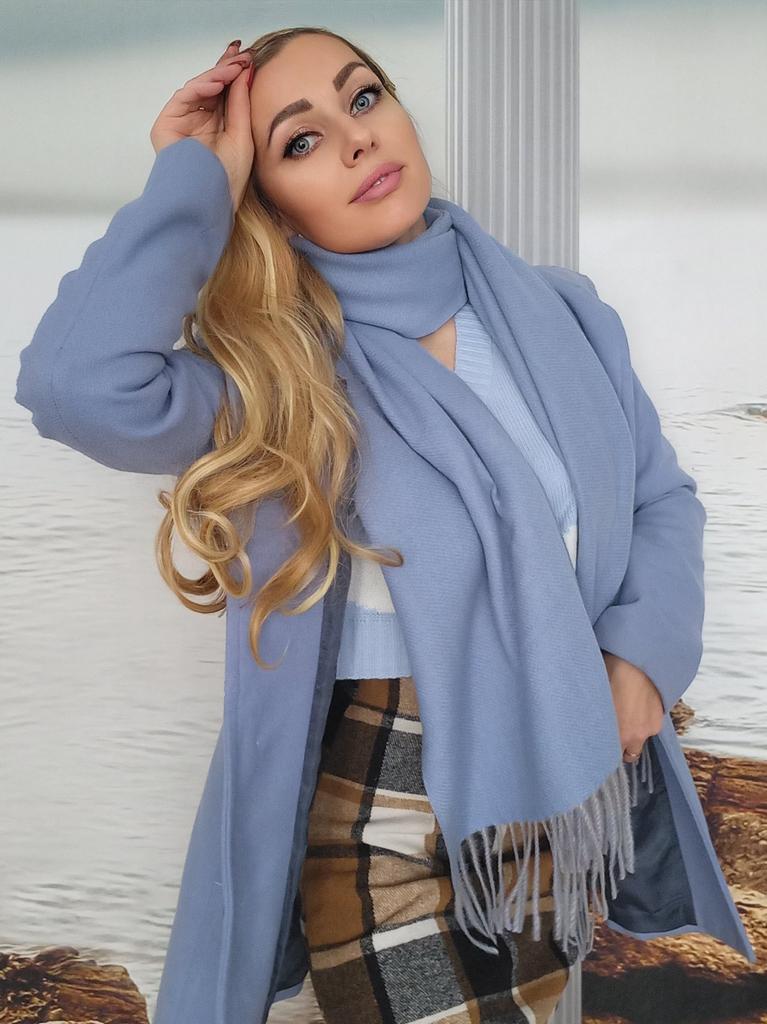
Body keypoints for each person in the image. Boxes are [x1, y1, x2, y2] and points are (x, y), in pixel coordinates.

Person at [15, 24, 755, 1024]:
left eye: (361, 97)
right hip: (375, 804)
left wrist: (642, 662)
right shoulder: (272, 376)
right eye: (299, 141)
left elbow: (657, 499)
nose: (355, 138)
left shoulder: (563, 314)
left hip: (550, 776)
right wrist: (192, 179)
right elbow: (74, 387)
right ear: (265, 198)